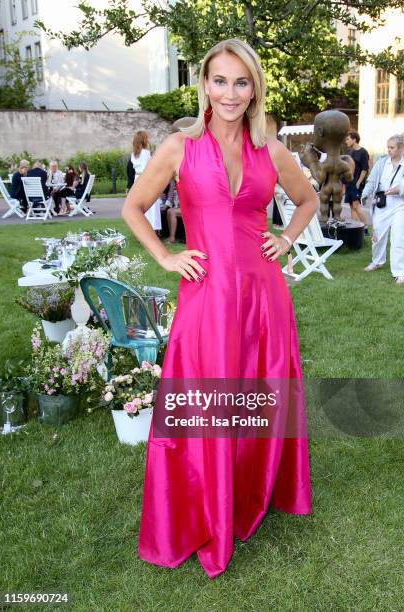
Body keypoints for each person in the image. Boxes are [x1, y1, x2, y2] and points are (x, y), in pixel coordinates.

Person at [122, 38, 318, 579]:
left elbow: (307, 199)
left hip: (262, 297)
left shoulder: (272, 150)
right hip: (206, 297)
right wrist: (165, 255)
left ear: (254, 88)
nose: (229, 92)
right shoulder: (180, 146)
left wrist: (287, 238)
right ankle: (205, 507)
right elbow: (135, 207)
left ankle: (254, 488)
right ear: (204, 85)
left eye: (241, 81)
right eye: (219, 80)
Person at [361, 134, 404, 284]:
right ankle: (377, 261)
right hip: (382, 204)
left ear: (401, 148)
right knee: (377, 236)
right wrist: (365, 194)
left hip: (400, 206)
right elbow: (372, 180)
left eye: (392, 148)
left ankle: (400, 272)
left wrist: (399, 189)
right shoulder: (382, 162)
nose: (389, 150)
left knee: (398, 238)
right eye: (388, 147)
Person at [130, 130, 162, 230]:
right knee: (151, 204)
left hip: (138, 179)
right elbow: (150, 168)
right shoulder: (145, 153)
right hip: (146, 179)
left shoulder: (134, 154)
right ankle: (152, 228)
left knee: (141, 205)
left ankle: (142, 228)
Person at [344, 130, 369, 226]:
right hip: (349, 183)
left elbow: (364, 169)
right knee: (351, 206)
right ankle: (353, 227)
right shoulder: (349, 152)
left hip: (357, 183)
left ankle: (365, 227)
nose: (346, 141)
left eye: (348, 139)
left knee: (356, 205)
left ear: (354, 139)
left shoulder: (363, 152)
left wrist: (358, 182)